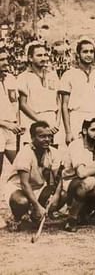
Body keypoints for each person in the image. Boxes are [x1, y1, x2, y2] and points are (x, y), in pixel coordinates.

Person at [5, 121, 65, 232]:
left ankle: (34, 217)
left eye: (49, 136)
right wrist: (37, 206)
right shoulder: (25, 153)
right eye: (42, 136)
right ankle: (16, 218)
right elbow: (24, 183)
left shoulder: (54, 152)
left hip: (38, 187)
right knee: (21, 202)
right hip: (19, 189)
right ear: (32, 137)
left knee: (62, 195)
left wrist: (56, 197)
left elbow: (58, 178)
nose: (47, 139)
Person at [59, 38, 95, 145]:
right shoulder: (69, 74)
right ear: (78, 54)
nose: (89, 54)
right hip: (77, 117)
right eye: (85, 52)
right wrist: (68, 131)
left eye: (91, 51)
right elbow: (64, 104)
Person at [17, 41, 62, 146]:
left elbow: (58, 101)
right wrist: (41, 121)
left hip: (53, 122)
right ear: (30, 58)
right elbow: (22, 104)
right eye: (39, 55)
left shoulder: (52, 75)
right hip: (34, 120)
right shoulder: (23, 77)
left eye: (45, 55)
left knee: (53, 156)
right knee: (34, 157)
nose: (43, 58)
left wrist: (57, 122)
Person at [0, 47, 22, 177]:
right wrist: (6, 124)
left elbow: (15, 103)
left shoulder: (10, 78)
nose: (6, 62)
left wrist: (17, 122)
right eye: (1, 59)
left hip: (12, 128)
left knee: (19, 166)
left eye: (6, 59)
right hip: (1, 128)